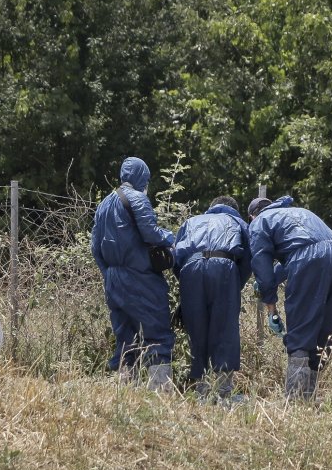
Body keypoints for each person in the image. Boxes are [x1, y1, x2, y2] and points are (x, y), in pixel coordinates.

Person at [248, 195, 332, 400]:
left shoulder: (259, 223)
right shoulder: (300, 213)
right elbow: (299, 252)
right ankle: (309, 397)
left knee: (301, 333)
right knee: (326, 332)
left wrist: (271, 308)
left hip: (307, 258)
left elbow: (263, 268)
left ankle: (295, 401)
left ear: (252, 216)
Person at [91, 156, 176, 391]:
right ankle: (159, 391)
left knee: (125, 336)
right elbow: (150, 233)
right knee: (156, 330)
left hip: (113, 278)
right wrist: (170, 239)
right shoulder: (138, 198)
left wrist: (109, 273)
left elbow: (95, 247)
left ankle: (124, 390)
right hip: (139, 277)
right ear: (142, 178)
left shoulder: (104, 204)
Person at [173, 196, 252, 401]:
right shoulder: (237, 222)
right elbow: (248, 258)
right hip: (224, 267)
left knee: (196, 329)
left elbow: (175, 258)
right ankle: (225, 392)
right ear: (234, 209)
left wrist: (185, 285)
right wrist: (236, 285)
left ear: (211, 207)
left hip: (190, 269)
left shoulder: (191, 222)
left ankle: (202, 392)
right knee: (225, 329)